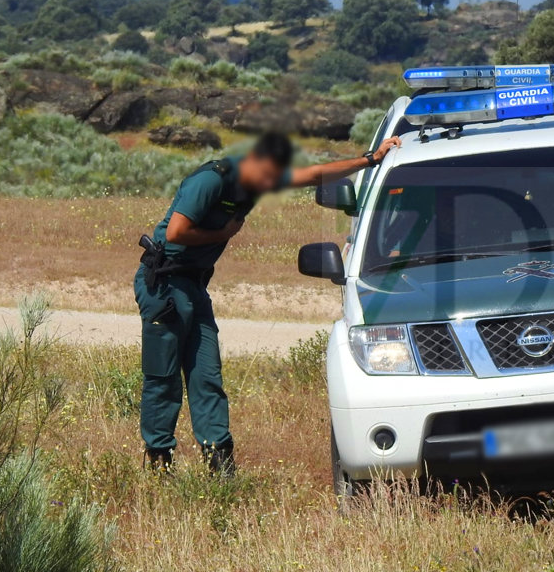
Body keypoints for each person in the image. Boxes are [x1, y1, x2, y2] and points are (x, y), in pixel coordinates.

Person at [135, 132, 401, 475]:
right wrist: (222, 234)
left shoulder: (260, 178)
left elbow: (314, 174)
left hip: (194, 285)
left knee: (207, 374)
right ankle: (159, 462)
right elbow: (175, 232)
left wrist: (370, 159)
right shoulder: (210, 181)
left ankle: (219, 462)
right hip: (164, 286)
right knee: (164, 376)